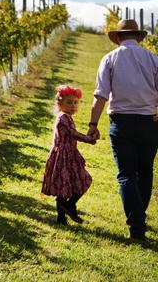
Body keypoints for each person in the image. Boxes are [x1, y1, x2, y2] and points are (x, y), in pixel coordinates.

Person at [88, 19, 158, 240]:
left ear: (117, 38)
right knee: (145, 172)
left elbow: (100, 96)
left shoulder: (109, 59)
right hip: (149, 123)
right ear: (138, 37)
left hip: (122, 123)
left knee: (126, 175)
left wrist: (93, 124)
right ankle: (139, 215)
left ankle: (137, 225)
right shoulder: (153, 59)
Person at [42, 85, 96, 225]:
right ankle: (68, 208)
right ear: (59, 104)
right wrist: (89, 139)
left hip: (68, 155)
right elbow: (73, 134)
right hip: (63, 156)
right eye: (69, 102)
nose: (73, 106)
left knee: (68, 184)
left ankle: (64, 213)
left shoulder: (66, 117)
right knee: (80, 181)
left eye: (75, 102)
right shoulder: (64, 118)